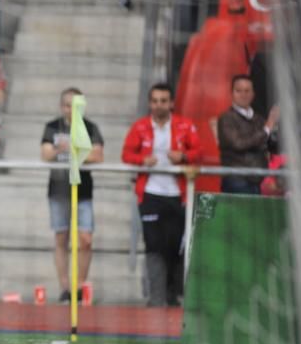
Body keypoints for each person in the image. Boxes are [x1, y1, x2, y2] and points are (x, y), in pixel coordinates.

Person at [121, 83, 203, 307]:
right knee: (153, 245)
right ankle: (155, 298)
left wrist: (183, 156)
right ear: (150, 103)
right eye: (155, 101)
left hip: (178, 194)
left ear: (172, 103)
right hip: (150, 194)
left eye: (163, 101)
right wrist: (142, 161)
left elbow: (199, 152)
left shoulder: (185, 125)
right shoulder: (139, 127)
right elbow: (126, 154)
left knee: (175, 244)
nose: (159, 105)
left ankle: (172, 294)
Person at [40, 88, 105, 302]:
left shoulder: (90, 127)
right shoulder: (52, 126)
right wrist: (62, 150)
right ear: (62, 106)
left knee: (85, 239)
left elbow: (98, 155)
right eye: (68, 105)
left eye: (76, 105)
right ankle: (65, 287)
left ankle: (80, 286)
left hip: (83, 190)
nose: (71, 109)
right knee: (61, 237)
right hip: (59, 189)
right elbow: (46, 153)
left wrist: (76, 150)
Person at [217, 75, 279, 195]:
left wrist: (276, 128)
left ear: (253, 94)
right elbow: (238, 144)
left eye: (247, 91)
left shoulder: (259, 119)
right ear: (232, 93)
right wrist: (268, 127)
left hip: (260, 180)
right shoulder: (226, 118)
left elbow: (272, 147)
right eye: (238, 90)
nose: (243, 94)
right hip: (236, 180)